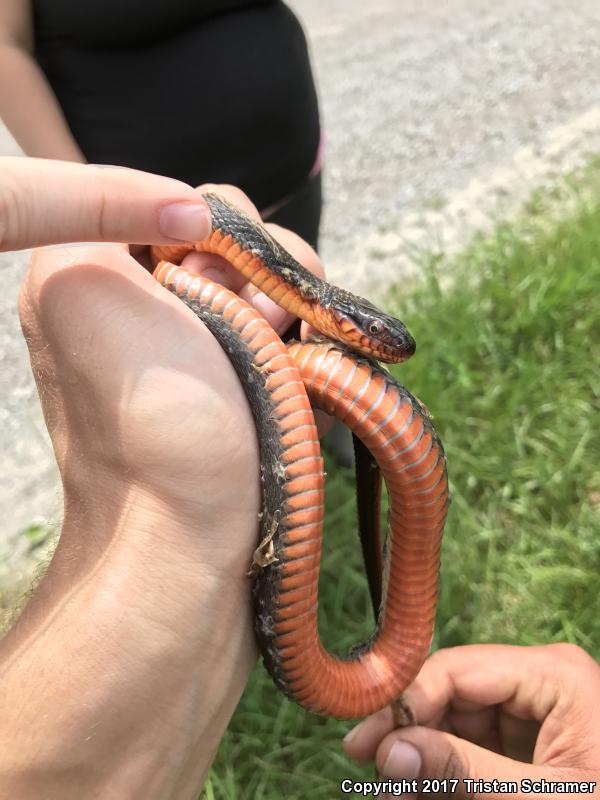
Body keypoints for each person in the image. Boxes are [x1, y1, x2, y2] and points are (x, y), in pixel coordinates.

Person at [1, 164, 599, 796]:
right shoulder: (262, 276)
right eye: (377, 339)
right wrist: (166, 518)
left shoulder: (281, 301)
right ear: (344, 322)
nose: (385, 348)